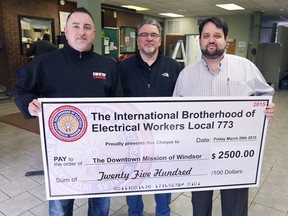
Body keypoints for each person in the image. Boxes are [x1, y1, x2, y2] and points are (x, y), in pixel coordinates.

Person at [13, 7, 122, 216]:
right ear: (66, 30)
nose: (81, 31)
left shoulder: (108, 66)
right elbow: (20, 89)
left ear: (93, 33)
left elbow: (118, 106)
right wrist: (28, 102)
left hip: (100, 150)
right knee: (61, 207)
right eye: (76, 26)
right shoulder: (45, 63)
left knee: (100, 203)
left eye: (87, 27)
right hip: (61, 151)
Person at [173, 17, 276, 216]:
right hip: (199, 154)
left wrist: (267, 106)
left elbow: (266, 93)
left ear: (226, 39)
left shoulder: (246, 67)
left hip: (235, 154)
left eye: (217, 35)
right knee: (200, 207)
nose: (211, 40)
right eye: (206, 36)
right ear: (200, 41)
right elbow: (176, 113)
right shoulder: (186, 75)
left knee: (234, 208)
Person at [117, 19, 183, 215]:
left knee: (162, 183)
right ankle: (134, 213)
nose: (149, 39)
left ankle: (163, 213)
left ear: (160, 40)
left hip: (164, 140)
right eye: (144, 35)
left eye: (153, 35)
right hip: (133, 139)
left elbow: (183, 103)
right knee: (134, 182)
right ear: (137, 41)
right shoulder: (123, 68)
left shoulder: (174, 67)